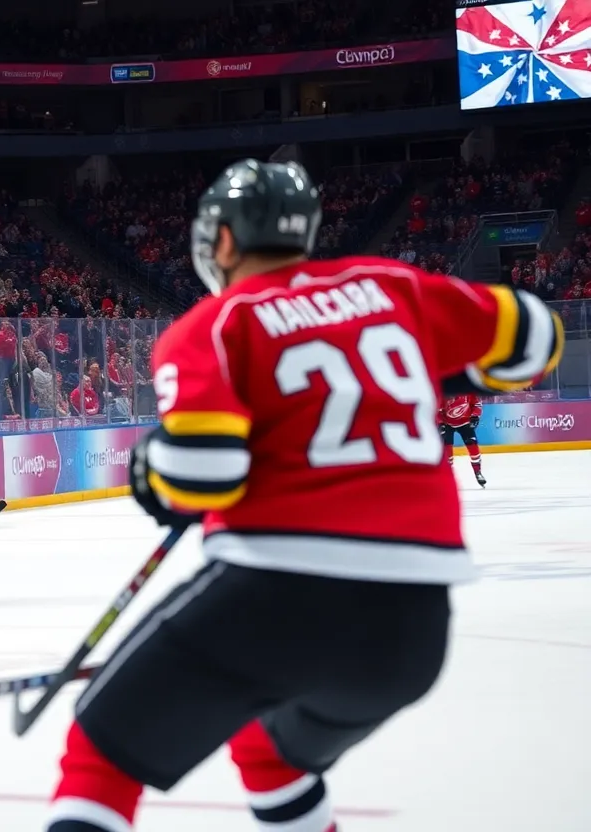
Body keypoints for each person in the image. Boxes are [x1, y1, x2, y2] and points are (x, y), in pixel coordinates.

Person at [45, 159, 565, 832]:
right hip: (413, 628)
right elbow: (536, 340)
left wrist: (154, 471)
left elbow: (203, 473)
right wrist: (449, 362)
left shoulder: (214, 324)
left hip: (278, 591)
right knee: (270, 754)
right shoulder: (390, 287)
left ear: (223, 242)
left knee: (100, 759)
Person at [440, 394, 485, 486]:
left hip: (465, 423)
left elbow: (477, 404)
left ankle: (477, 472)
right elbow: (437, 409)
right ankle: (447, 475)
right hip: (447, 423)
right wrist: (440, 423)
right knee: (447, 452)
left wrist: (475, 416)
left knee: (473, 447)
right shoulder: (444, 390)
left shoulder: (467, 388)